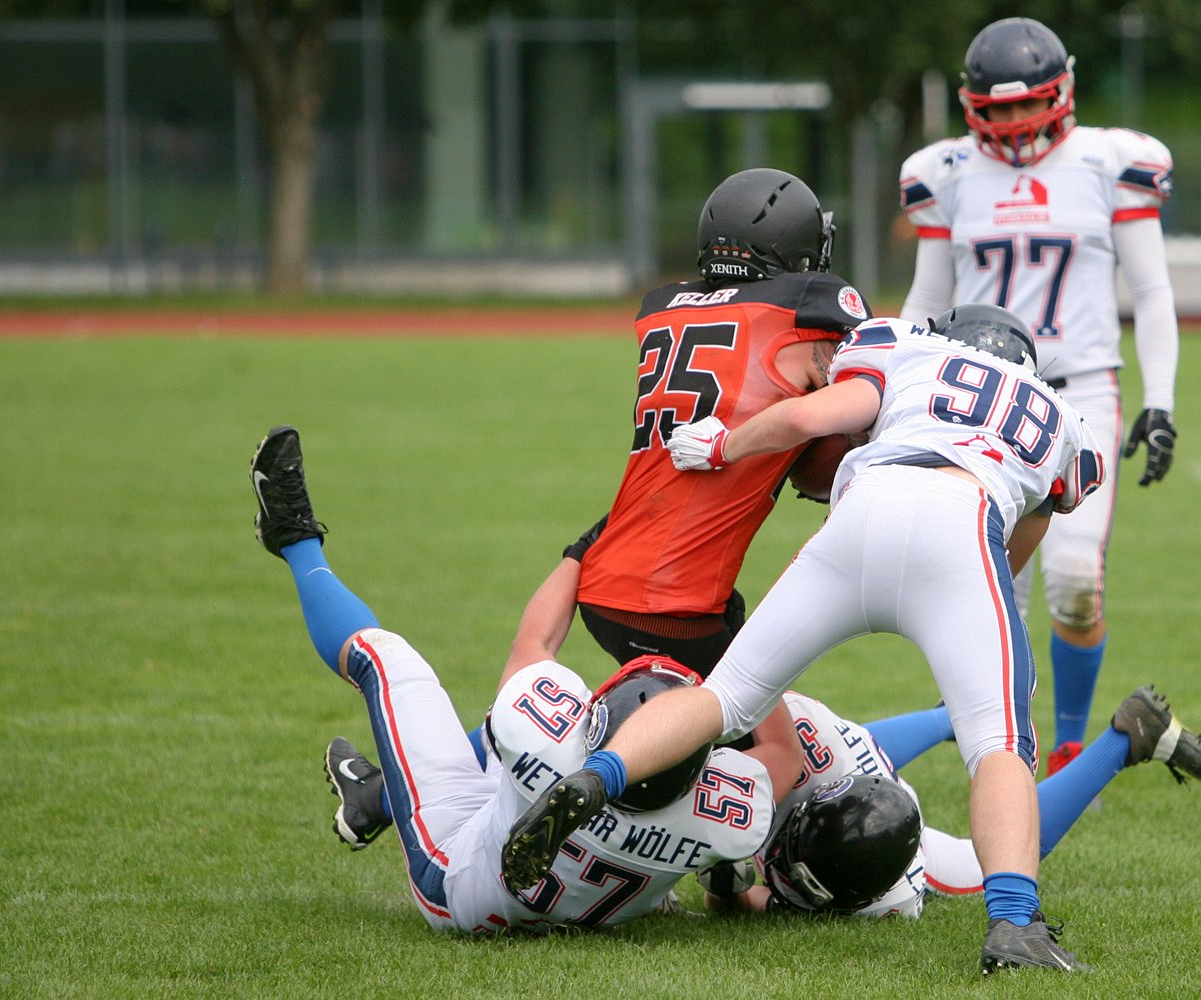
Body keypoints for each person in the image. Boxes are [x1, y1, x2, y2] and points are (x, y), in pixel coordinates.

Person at [501, 306, 1109, 973]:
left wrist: (722, 446)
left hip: (866, 509)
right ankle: (1015, 924)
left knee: (725, 698)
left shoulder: (910, 348)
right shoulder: (1063, 421)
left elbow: (804, 420)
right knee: (999, 744)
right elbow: (1023, 540)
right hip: (965, 524)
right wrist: (960, 615)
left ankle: (596, 776)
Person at [250, 424, 783, 933]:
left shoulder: (551, 742)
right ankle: (374, 797)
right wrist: (726, 645)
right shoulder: (729, 812)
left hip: (455, 877)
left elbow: (534, 642)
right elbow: (780, 752)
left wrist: (588, 548)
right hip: (591, 899)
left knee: (389, 662)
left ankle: (293, 538)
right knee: (507, 748)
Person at [897, 17, 1181, 776]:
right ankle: (1008, 754)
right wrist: (894, 387)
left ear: (1061, 96)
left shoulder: (1108, 163)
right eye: (1002, 108)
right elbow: (926, 301)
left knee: (1077, 579)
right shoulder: (948, 174)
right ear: (974, 106)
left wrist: (1160, 399)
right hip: (982, 396)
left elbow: (1152, 290)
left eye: (1030, 104)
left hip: (1082, 390)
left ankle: (1067, 743)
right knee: (995, 588)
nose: (1018, 121)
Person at [570, 166, 871, 676]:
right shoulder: (807, 309)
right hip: (674, 604)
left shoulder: (660, 309)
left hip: (605, 579)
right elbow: (880, 382)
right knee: (771, 729)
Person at [702, 685, 1201, 921]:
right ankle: (956, 717)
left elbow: (748, 903)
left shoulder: (893, 895)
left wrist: (727, 888)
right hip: (841, 759)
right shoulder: (809, 740)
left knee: (996, 858)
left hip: (862, 783)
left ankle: (1126, 741)